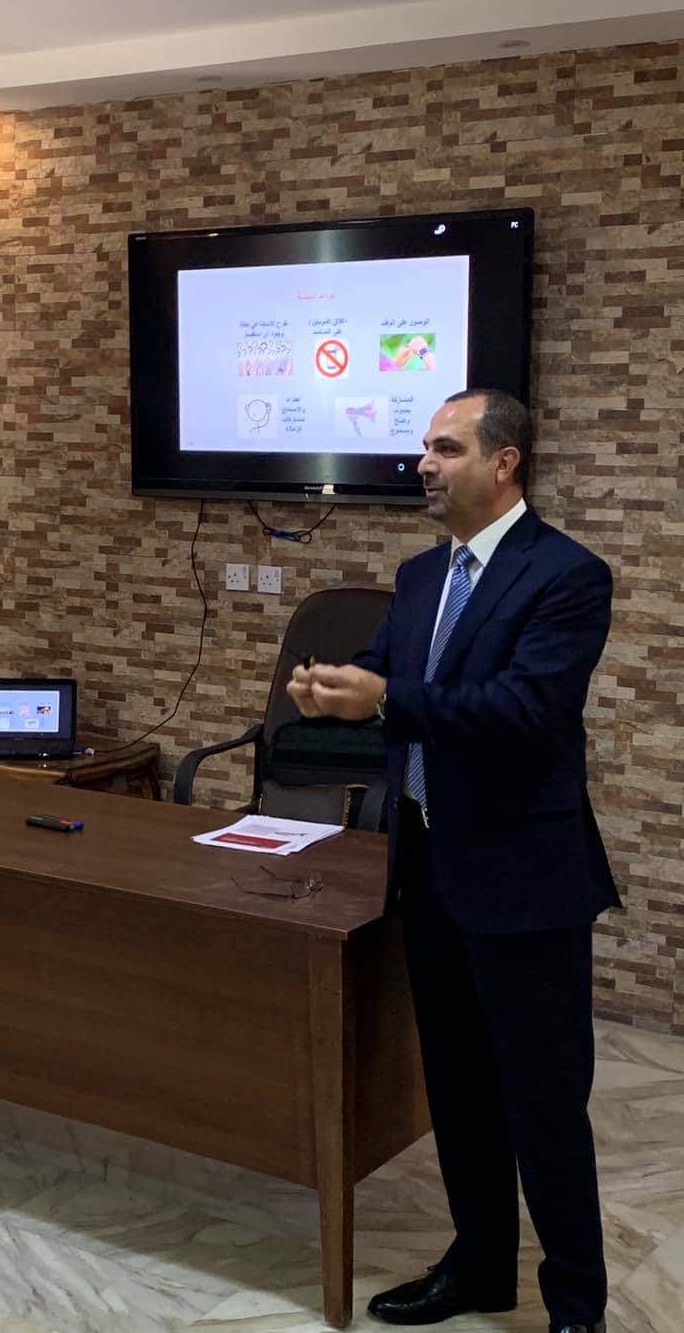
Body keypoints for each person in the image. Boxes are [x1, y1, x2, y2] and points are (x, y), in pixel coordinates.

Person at [287, 390, 618, 1333]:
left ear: (504, 462)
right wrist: (332, 687)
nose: (424, 465)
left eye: (446, 448)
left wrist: (386, 697)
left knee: (543, 1104)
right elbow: (388, 674)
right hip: (428, 866)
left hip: (526, 880)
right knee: (460, 1088)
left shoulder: (567, 574)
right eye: (423, 449)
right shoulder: (421, 573)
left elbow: (524, 711)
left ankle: (577, 1308)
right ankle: (478, 1266)